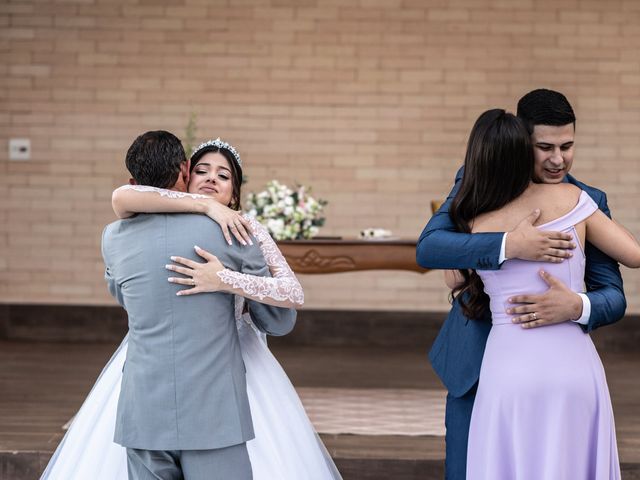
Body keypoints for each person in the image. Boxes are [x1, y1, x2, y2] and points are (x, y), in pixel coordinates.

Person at [41, 132, 341, 479]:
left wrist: (224, 280)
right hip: (216, 404)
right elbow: (278, 321)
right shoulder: (237, 234)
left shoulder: (113, 237)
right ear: (185, 174)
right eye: (203, 171)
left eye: (224, 175)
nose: (212, 179)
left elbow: (124, 288)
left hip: (143, 403)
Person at [416, 89, 626, 479]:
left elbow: (614, 294)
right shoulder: (475, 179)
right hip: (477, 367)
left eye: (567, 146)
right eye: (544, 147)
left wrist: (578, 306)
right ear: (518, 142)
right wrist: (509, 244)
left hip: (558, 367)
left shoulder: (585, 201)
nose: (558, 159)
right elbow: (430, 248)